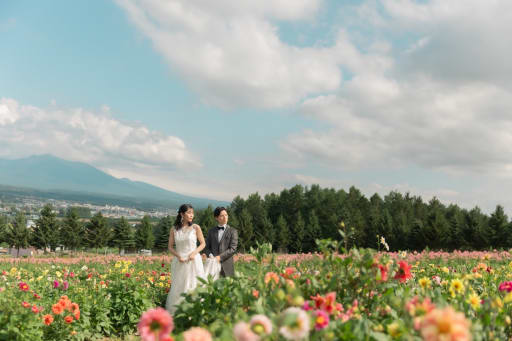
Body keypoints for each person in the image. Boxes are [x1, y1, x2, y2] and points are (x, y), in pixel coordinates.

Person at [166, 204, 206, 314]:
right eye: (189, 212)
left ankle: (194, 312)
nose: (191, 215)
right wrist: (178, 256)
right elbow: (170, 247)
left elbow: (203, 244)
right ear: (181, 214)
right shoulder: (174, 229)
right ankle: (178, 312)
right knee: (179, 287)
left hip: (193, 261)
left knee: (193, 285)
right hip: (179, 261)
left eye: (192, 213)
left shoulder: (196, 227)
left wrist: (194, 253)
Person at [203, 206, 238, 277]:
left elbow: (233, 249)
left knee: (227, 287)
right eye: (222, 216)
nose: (225, 217)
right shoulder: (211, 231)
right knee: (211, 286)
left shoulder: (233, 231)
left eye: (226, 215)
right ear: (216, 218)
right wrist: (210, 255)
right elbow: (206, 247)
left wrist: (219, 257)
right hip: (212, 265)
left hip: (227, 266)